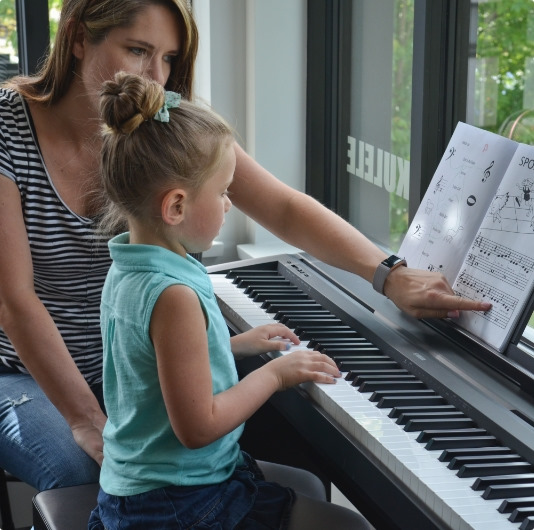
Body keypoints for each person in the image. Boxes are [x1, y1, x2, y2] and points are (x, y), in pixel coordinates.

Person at [0, 0, 491, 495]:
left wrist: (388, 273)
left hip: (135, 359)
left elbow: (281, 207)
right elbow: (14, 302)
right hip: (25, 373)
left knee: (284, 432)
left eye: (170, 58)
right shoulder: (7, 127)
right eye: (138, 50)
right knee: (85, 474)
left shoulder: (164, 123)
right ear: (79, 37)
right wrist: (85, 417)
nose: (156, 75)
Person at [85, 69, 372, 530]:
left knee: (310, 486)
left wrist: (234, 344)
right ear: (175, 207)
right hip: (179, 504)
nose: (228, 205)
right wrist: (276, 375)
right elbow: (198, 427)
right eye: (221, 193)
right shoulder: (173, 293)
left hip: (145, 487)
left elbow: (154, 360)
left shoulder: (130, 264)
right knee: (351, 525)